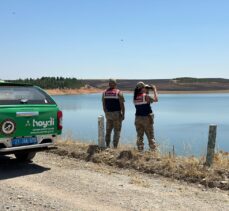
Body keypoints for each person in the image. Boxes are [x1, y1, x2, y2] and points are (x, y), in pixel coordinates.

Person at [133, 82, 158, 151]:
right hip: (146, 118)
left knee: (139, 136)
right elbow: (156, 99)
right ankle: (153, 151)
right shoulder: (145, 96)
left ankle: (140, 151)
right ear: (142, 88)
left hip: (137, 118)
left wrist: (148, 91)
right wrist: (154, 90)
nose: (145, 89)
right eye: (145, 87)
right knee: (150, 136)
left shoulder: (135, 97)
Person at [102, 79, 125, 148]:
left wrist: (106, 113)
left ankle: (107, 145)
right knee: (117, 131)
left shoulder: (104, 92)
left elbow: (103, 105)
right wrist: (123, 114)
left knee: (108, 130)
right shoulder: (118, 92)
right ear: (115, 84)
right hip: (116, 114)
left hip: (108, 114)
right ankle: (115, 147)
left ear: (109, 84)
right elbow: (122, 105)